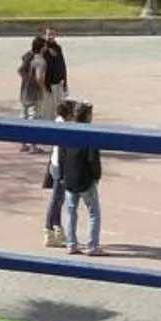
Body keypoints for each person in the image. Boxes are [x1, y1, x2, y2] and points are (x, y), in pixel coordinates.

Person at [57, 101, 103, 255]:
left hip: (69, 179)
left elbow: (61, 156)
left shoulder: (67, 132)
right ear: (87, 116)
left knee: (71, 211)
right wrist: (97, 175)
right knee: (94, 212)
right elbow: (93, 159)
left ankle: (71, 244)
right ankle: (92, 246)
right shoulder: (89, 134)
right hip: (85, 180)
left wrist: (62, 175)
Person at [43, 100, 77, 246]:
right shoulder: (64, 126)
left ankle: (57, 228)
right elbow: (62, 151)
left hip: (55, 164)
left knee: (59, 199)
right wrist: (64, 173)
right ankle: (48, 230)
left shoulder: (58, 121)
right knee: (56, 200)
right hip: (60, 166)